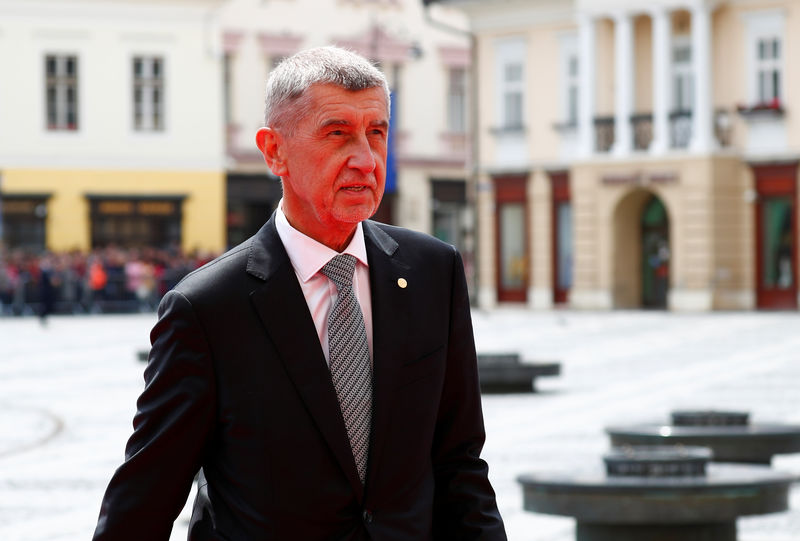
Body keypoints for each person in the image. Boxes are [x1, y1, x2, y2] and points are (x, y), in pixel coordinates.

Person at [93, 46, 506, 540]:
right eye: (337, 134)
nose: (365, 159)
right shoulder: (207, 308)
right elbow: (146, 497)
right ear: (274, 151)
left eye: (376, 133)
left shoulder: (433, 271)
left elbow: (459, 463)